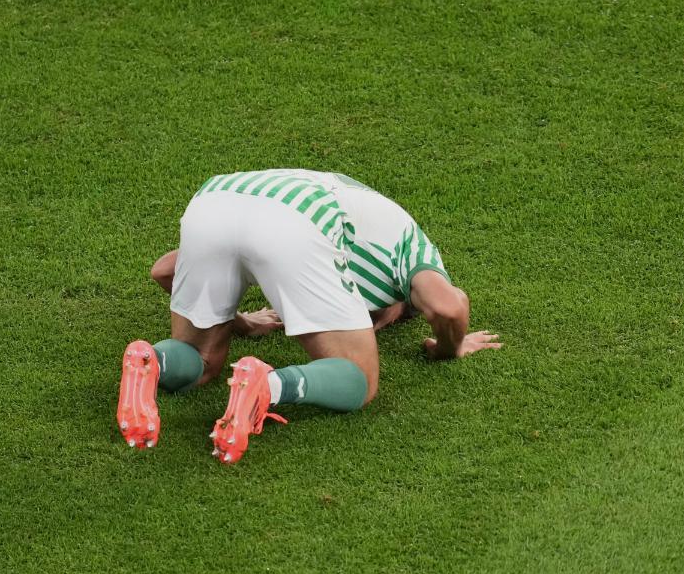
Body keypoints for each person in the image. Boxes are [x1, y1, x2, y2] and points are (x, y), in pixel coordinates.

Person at [117, 169, 500, 464]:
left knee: (200, 362)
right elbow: (449, 306)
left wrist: (243, 322)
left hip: (213, 201)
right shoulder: (411, 246)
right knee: (360, 379)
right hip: (296, 221)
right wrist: (451, 346)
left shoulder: (360, 211)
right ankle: (268, 386)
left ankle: (152, 359)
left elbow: (165, 271)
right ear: (404, 299)